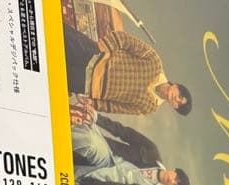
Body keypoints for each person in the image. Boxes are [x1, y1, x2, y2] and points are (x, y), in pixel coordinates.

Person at [63, 24, 191, 116]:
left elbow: (119, 108)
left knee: (52, 71)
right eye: (180, 96)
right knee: (54, 31)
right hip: (91, 55)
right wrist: (100, 48)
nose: (177, 99)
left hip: (86, 84)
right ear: (177, 86)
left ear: (174, 107)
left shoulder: (150, 108)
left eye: (179, 104)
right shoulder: (155, 62)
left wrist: (94, 103)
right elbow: (126, 40)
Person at [72, 115, 189, 185]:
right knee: (90, 141)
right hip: (109, 156)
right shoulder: (152, 151)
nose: (172, 181)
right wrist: (97, 118)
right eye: (176, 178)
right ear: (174, 170)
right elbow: (124, 132)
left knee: (69, 181)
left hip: (102, 183)